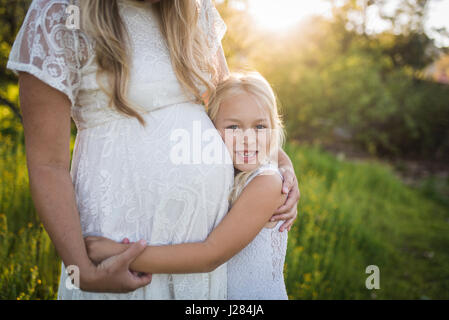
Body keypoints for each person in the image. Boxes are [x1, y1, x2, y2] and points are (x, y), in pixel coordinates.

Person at [6, 0, 300, 299]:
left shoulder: (191, 9)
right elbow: (47, 164)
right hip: (117, 239)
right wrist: (81, 268)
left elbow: (234, 106)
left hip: (201, 250)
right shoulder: (59, 13)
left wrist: (282, 167)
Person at [85, 72, 290, 300]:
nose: (248, 138)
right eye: (234, 127)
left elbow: (210, 255)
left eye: (260, 127)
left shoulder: (266, 183)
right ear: (210, 129)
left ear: (273, 128)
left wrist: (117, 253)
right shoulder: (232, 174)